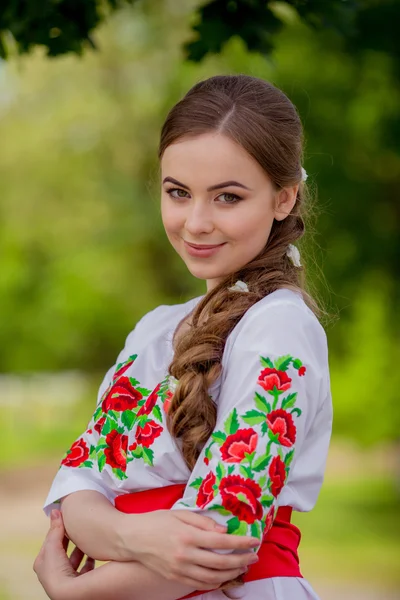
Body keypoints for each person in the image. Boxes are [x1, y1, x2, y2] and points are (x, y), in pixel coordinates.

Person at [34, 74, 332, 600]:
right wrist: (134, 535)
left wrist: (83, 591)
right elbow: (77, 486)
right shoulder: (155, 329)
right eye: (178, 193)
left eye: (227, 197)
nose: (196, 222)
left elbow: (222, 543)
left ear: (283, 198)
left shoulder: (279, 326)